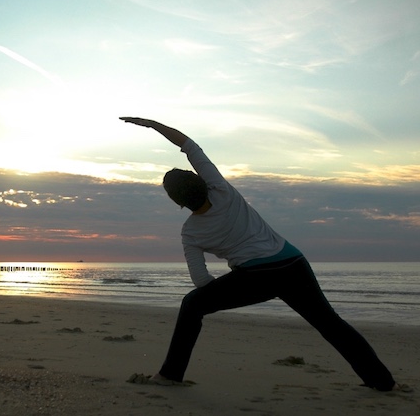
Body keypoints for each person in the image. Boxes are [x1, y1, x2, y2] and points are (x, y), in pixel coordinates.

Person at [119, 116, 397, 391]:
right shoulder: (222, 189)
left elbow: (202, 282)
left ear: (177, 202)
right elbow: (190, 146)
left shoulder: (190, 233)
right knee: (330, 324)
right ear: (201, 181)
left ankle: (170, 376)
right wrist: (153, 125)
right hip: (293, 263)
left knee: (193, 305)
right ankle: (381, 381)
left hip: (254, 277)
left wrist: (227, 291)